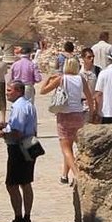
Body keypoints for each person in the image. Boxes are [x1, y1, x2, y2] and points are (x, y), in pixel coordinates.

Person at [0, 80, 38, 222]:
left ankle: (19, 218)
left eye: (9, 90)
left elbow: (17, 133)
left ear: (18, 91)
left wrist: (2, 133)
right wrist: (7, 125)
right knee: (26, 183)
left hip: (18, 149)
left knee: (12, 184)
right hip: (30, 146)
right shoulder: (28, 104)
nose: (7, 92)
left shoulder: (19, 107)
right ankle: (26, 217)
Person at [41, 57, 91, 185]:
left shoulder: (62, 79)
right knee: (73, 146)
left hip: (64, 115)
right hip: (78, 114)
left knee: (66, 148)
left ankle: (77, 174)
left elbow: (43, 91)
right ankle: (64, 175)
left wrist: (48, 77)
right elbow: (89, 97)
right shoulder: (81, 79)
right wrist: (93, 111)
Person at [79, 48, 98, 121]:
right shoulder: (78, 71)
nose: (92, 58)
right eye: (89, 57)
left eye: (93, 56)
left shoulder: (98, 70)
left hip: (93, 103)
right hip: (80, 104)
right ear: (83, 58)